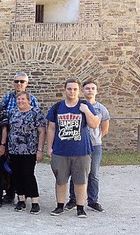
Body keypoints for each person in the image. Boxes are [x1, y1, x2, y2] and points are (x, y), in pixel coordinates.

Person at [46, 78, 99, 218]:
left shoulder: (85, 105)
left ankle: (80, 208)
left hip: (81, 151)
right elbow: (51, 128)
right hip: (61, 151)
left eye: (75, 89)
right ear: (65, 90)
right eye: (69, 89)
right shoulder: (57, 107)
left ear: (79, 90)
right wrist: (49, 147)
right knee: (61, 180)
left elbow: (94, 124)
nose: (72, 91)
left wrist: (86, 111)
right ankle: (60, 206)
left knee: (81, 181)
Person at [66, 81, 110, 212]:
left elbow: (105, 128)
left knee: (93, 174)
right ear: (82, 91)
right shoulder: (77, 105)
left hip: (95, 146)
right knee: (76, 173)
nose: (90, 91)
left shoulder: (101, 109)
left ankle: (92, 200)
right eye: (87, 89)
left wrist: (94, 139)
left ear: (96, 91)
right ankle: (73, 199)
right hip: (78, 146)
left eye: (92, 88)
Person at [7, 91, 46, 214]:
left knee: (28, 175)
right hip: (14, 149)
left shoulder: (36, 113)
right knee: (16, 175)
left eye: (23, 99)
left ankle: (35, 201)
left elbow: (42, 132)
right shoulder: (13, 112)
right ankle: (21, 199)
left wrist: (40, 150)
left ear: (29, 100)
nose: (20, 101)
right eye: (18, 99)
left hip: (29, 150)